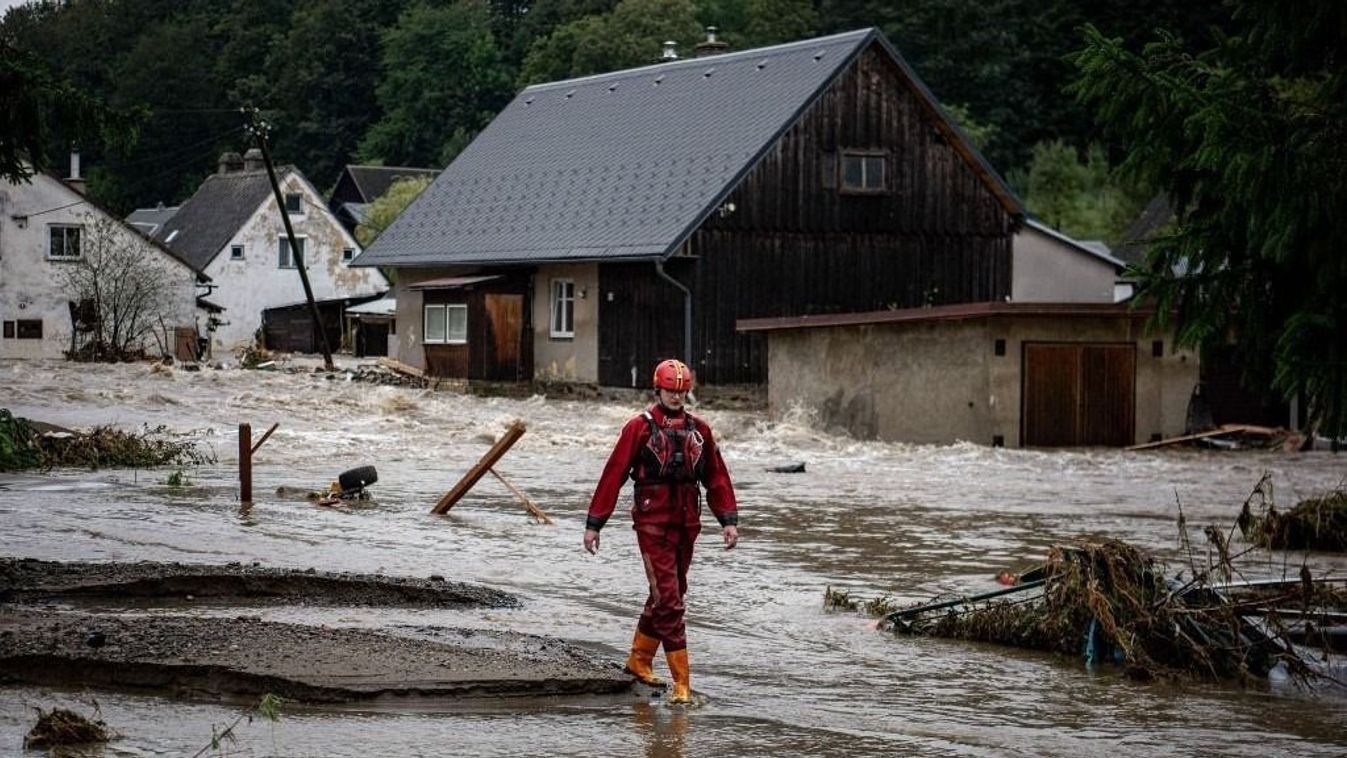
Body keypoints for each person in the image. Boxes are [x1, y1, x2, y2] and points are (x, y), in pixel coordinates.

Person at [584, 358, 739, 704]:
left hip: (687, 524)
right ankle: (682, 683)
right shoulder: (638, 428)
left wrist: (728, 519)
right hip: (652, 525)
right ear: (658, 388)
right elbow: (613, 474)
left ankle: (639, 661)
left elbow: (716, 476)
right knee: (669, 600)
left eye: (682, 391)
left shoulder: (700, 429)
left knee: (670, 593)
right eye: (670, 390)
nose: (676, 396)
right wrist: (595, 524)